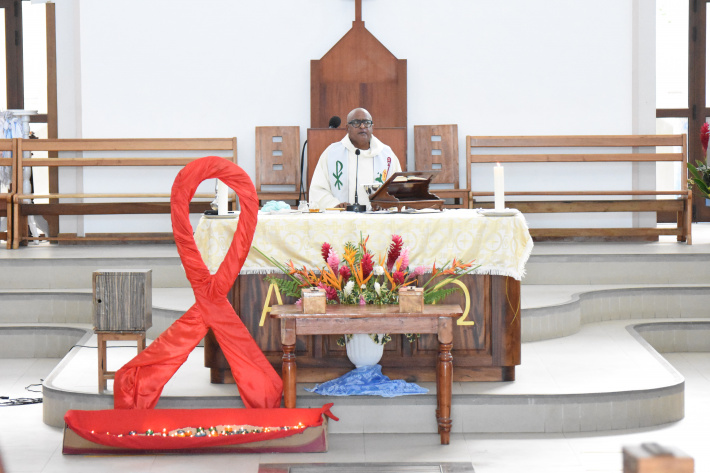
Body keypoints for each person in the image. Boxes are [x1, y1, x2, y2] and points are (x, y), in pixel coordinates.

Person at [309, 107, 401, 210]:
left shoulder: (386, 155)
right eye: (356, 122)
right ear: (347, 128)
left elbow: (398, 189)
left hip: (378, 220)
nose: (362, 126)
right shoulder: (332, 153)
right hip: (342, 219)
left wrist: (386, 204)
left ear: (372, 127)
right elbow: (318, 189)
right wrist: (335, 205)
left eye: (367, 123)